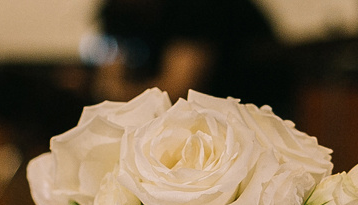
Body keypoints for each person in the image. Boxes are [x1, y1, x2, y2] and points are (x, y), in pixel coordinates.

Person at [95, 0, 297, 120]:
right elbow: (108, 76)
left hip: (251, 113)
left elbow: (176, 88)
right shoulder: (118, 10)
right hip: (197, 114)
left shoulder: (195, 7)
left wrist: (117, 92)